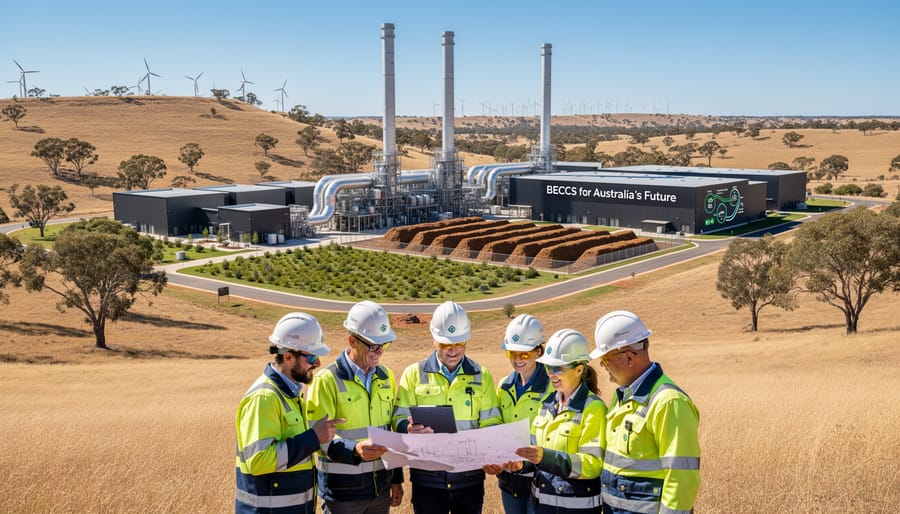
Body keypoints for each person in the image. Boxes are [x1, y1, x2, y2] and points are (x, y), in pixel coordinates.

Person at [393, 300, 503, 514]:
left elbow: (492, 422)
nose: (453, 350)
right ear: (433, 339)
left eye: (459, 344)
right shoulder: (413, 374)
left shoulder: (482, 376)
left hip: (469, 481)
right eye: (446, 344)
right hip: (427, 481)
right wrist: (406, 429)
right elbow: (397, 419)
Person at [591, 310, 700, 514]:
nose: (603, 366)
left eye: (605, 359)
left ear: (630, 358)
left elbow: (682, 480)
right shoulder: (621, 396)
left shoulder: (669, 402)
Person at [235, 312, 344, 513]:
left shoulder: (291, 394)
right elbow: (258, 460)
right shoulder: (265, 398)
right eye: (312, 356)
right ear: (288, 357)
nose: (318, 363)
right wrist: (313, 437)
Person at [306, 300, 404, 513]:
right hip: (342, 494)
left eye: (383, 345)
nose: (379, 352)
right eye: (372, 345)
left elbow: (389, 432)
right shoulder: (326, 380)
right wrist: (355, 450)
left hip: (380, 491)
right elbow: (318, 439)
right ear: (352, 340)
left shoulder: (386, 376)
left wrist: (397, 479)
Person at [506, 328, 606, 513]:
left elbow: (593, 464)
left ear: (579, 370)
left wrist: (546, 457)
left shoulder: (593, 408)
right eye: (548, 367)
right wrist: (522, 465)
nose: (551, 373)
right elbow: (535, 454)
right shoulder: (546, 405)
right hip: (542, 506)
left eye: (558, 368)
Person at [484, 314, 554, 514]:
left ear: (538, 351)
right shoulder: (504, 385)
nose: (516, 360)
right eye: (511, 353)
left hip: (540, 481)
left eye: (523, 354)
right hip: (509, 482)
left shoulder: (552, 387)